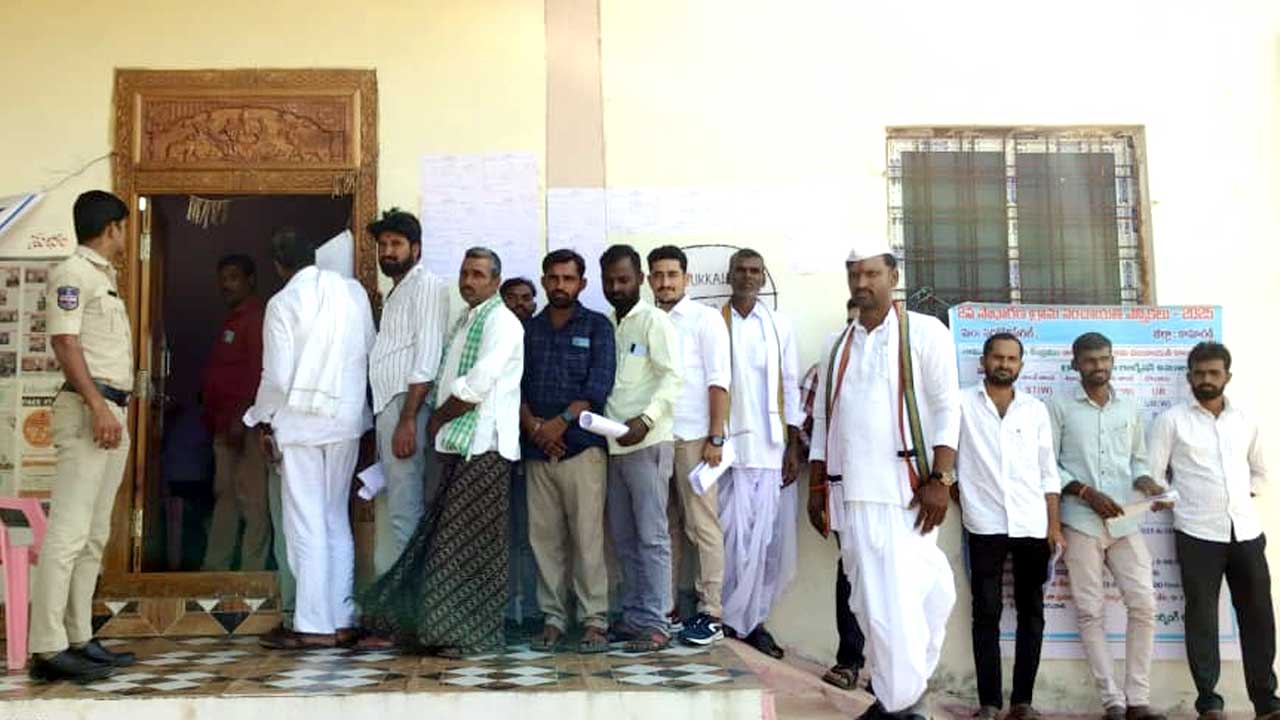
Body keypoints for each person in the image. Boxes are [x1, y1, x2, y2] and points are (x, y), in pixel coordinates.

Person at [808, 242, 960, 720]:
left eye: (871, 274)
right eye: (854, 275)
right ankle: (898, 698)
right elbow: (823, 420)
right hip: (851, 494)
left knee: (913, 599)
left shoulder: (926, 333)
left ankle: (902, 701)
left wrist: (942, 478)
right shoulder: (838, 344)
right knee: (869, 603)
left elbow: (947, 407)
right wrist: (817, 487)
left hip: (907, 494)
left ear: (893, 277)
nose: (862, 283)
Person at [360, 247, 523, 656]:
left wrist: (437, 419)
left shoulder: (502, 321)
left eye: (479, 275)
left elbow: (477, 384)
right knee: (448, 544)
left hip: (485, 447)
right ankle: (441, 631)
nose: (469, 281)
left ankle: (470, 635)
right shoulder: (466, 320)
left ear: (495, 281)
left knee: (469, 548)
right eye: (465, 273)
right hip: (459, 447)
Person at [246, 227, 374, 649]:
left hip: (301, 427)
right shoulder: (352, 293)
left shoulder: (282, 303)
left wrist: (261, 419)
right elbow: (367, 350)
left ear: (279, 265)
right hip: (345, 422)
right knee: (335, 517)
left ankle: (314, 625)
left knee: (306, 522)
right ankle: (341, 618)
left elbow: (277, 377)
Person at [29, 190, 137, 682]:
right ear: (112, 227)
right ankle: (47, 648)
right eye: (124, 227)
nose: (126, 235)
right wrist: (97, 406)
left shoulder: (102, 277)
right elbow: (65, 342)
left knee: (94, 535)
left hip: (111, 411)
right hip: (90, 411)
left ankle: (78, 636)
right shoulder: (73, 273)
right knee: (69, 532)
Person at [1148, 342, 1280, 720]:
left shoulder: (1245, 420)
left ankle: (1266, 701)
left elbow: (1261, 472)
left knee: (1258, 617)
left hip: (1246, 532)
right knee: (1202, 618)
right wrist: (1180, 501)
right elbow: (1154, 475)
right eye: (1199, 373)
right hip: (1197, 534)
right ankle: (1209, 701)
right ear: (1189, 376)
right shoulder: (1171, 420)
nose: (1206, 379)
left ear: (1227, 376)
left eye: (1213, 373)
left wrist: (1239, 496)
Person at [1049, 332, 1166, 720]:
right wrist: (1085, 492)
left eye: (1104, 359)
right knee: (1090, 612)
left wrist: (1147, 482)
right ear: (1075, 364)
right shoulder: (1059, 407)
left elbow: (1138, 460)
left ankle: (1138, 700)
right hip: (1080, 521)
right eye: (1090, 360)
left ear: (1113, 361)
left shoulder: (1129, 407)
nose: (1098, 366)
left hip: (1124, 520)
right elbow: (1048, 464)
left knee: (1144, 604)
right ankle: (1112, 701)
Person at [957, 333, 1063, 720]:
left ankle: (1022, 702)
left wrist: (1054, 525)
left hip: (1032, 524)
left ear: (1020, 364)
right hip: (984, 523)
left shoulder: (1034, 409)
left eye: (1011, 359)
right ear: (983, 361)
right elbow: (948, 454)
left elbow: (1048, 472)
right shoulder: (961, 403)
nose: (1004, 364)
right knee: (986, 611)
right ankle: (989, 703)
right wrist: (960, 493)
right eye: (997, 357)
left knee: (1031, 612)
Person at [520, 249, 615, 653]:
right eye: (554, 278)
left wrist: (559, 423)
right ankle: (553, 619)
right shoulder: (528, 330)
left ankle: (594, 621)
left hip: (582, 450)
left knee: (588, 539)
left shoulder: (597, 326)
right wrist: (535, 428)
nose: (560, 285)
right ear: (544, 281)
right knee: (544, 540)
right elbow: (515, 385)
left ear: (582, 283)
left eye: (568, 278)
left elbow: (598, 386)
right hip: (537, 450)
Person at [718, 248, 801, 658]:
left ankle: (755, 622)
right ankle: (725, 618)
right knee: (728, 540)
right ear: (729, 276)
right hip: (727, 449)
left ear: (763, 278)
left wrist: (793, 444)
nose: (748, 277)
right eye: (741, 270)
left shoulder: (779, 326)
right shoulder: (714, 323)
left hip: (770, 448)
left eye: (755, 271)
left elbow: (791, 382)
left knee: (766, 541)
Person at [600, 244, 682, 652]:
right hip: (612, 444)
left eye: (624, 279)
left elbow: (673, 378)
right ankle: (634, 617)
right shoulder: (606, 325)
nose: (617, 287)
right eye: (610, 281)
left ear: (641, 281)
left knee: (652, 535)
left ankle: (656, 621)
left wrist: (646, 420)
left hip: (647, 441)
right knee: (624, 536)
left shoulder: (654, 321)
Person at [647, 245, 730, 646]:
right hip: (654, 437)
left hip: (694, 437)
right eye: (658, 275)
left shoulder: (705, 320)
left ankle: (711, 612)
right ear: (649, 280)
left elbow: (719, 381)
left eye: (672, 274)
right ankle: (667, 609)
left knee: (702, 526)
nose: (665, 282)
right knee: (665, 527)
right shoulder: (646, 320)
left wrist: (715, 437)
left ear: (686, 278)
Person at [366, 209, 450, 570]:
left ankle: (409, 599)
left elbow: (427, 357)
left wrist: (407, 420)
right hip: (393, 405)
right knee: (401, 506)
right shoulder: (397, 291)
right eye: (383, 244)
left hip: (406, 405)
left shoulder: (426, 285)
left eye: (396, 244)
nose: (388, 251)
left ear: (416, 249)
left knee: (405, 509)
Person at [801, 298, 866, 691]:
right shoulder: (825, 370)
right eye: (852, 322)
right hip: (843, 489)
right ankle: (850, 660)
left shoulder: (897, 371)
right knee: (852, 570)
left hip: (893, 493)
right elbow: (808, 432)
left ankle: (892, 672)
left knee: (892, 579)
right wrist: (816, 486)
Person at [200, 254, 270, 571]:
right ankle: (215, 571)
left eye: (233, 277)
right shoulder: (232, 321)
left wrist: (242, 419)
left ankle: (252, 574)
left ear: (250, 280)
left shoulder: (255, 319)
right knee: (225, 498)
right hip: (224, 428)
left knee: (253, 501)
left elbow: (258, 373)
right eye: (222, 279)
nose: (226, 285)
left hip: (246, 427)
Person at [499, 274, 540, 628]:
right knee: (504, 533)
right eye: (512, 298)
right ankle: (504, 611)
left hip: (537, 447)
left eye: (526, 298)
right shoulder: (494, 334)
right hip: (498, 447)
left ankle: (531, 611)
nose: (520, 305)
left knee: (532, 534)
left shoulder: (540, 336)